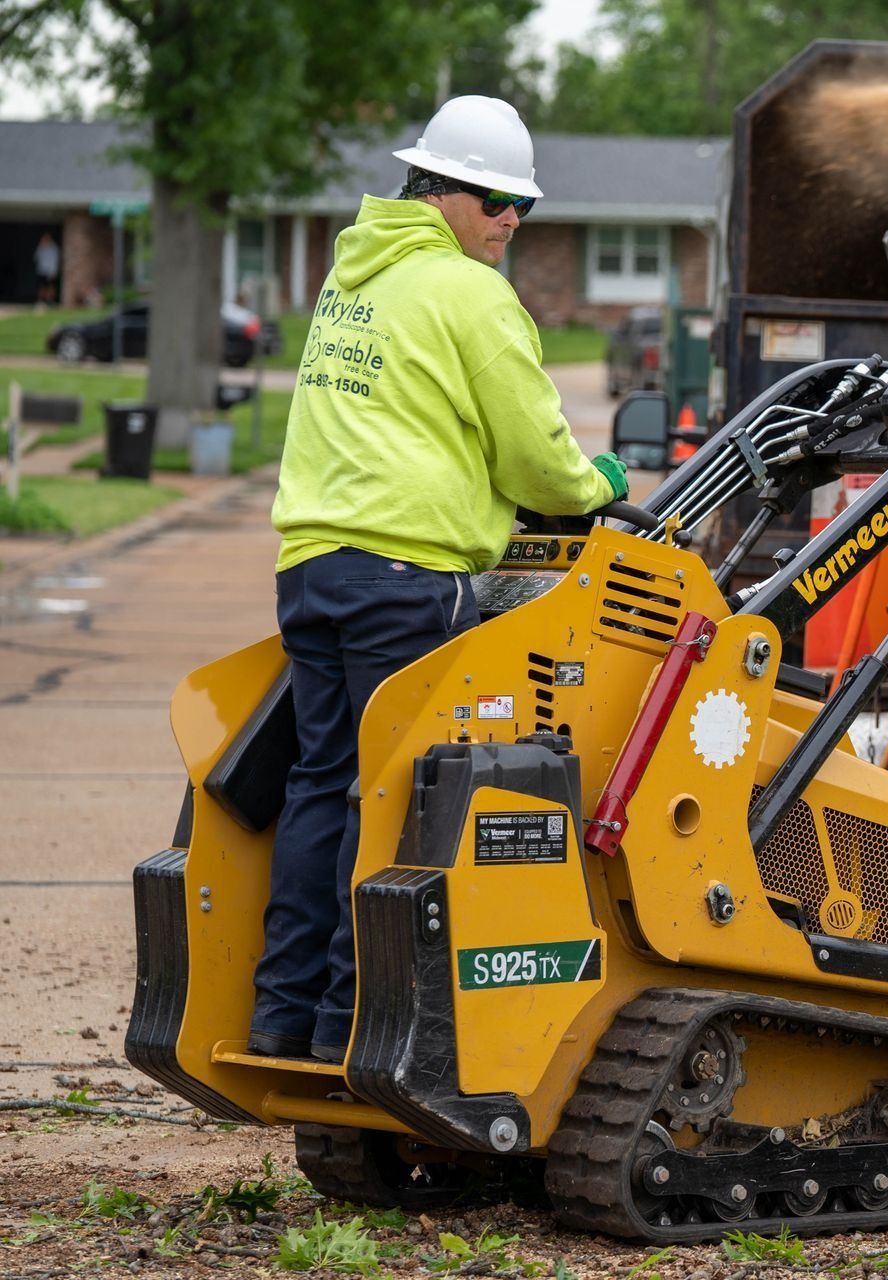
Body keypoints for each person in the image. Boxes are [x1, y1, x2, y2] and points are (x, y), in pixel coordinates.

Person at [248, 96, 631, 1063]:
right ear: (444, 191)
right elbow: (541, 464)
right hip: (402, 583)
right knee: (387, 803)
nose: (510, 222)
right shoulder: (469, 296)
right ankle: (352, 1035)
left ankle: (284, 1018)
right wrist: (598, 486)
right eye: (499, 201)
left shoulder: (356, 279)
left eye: (524, 208)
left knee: (322, 786)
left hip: (314, 571)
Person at [33, 233, 59, 308]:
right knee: (42, 286)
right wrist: (41, 247)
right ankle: (41, 301)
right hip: (41, 270)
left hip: (50, 271)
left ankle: (50, 301)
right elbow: (36, 257)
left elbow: (55, 260)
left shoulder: (54, 248)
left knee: (51, 287)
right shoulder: (40, 247)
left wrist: (53, 271)